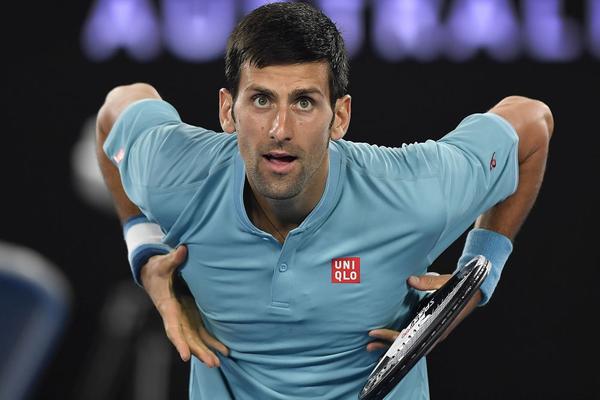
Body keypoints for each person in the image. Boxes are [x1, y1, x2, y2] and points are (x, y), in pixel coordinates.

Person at [95, 2, 553, 399]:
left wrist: (476, 278)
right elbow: (115, 109)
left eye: (304, 102)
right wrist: (147, 255)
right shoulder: (177, 173)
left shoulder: (413, 193)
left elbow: (532, 121)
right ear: (227, 111)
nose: (280, 129)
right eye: (261, 100)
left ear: (340, 117)